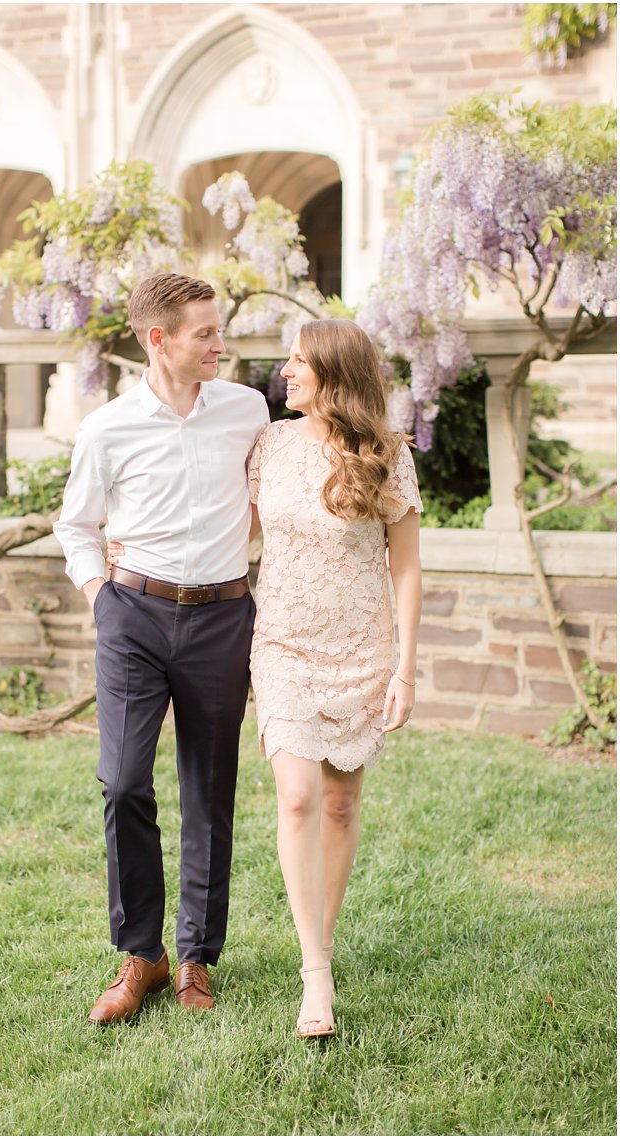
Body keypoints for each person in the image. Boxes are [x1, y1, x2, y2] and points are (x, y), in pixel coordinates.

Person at [53, 272, 270, 1025]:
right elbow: (75, 524)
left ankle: (196, 956)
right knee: (122, 782)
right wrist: (100, 601)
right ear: (159, 339)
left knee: (209, 788)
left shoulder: (247, 410)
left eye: (219, 330)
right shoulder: (107, 427)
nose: (220, 344)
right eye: (205, 333)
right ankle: (139, 953)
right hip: (133, 616)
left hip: (221, 617)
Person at [242, 320, 421, 1037]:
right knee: (297, 796)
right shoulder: (271, 446)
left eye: (298, 362)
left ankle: (322, 939)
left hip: (362, 644)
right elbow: (242, 533)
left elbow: (405, 565)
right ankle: (316, 976)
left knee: (342, 805)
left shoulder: (387, 456)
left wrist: (405, 666)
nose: (286, 372)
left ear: (333, 374)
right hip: (282, 639)